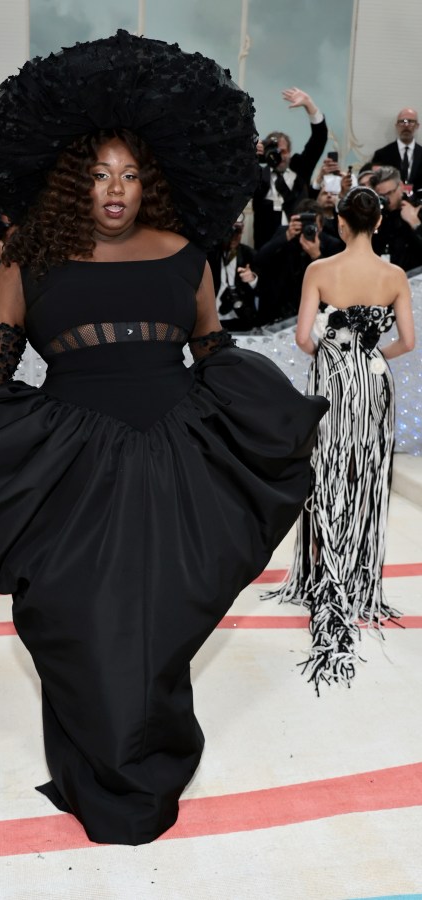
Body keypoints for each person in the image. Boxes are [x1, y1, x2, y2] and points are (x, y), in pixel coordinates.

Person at [0, 32, 328, 846]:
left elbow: (214, 354)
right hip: (73, 472)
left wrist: (265, 422)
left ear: (152, 181)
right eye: (99, 173)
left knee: (163, 626)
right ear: (74, 179)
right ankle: (91, 770)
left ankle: (151, 762)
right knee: (78, 627)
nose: (116, 190)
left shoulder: (186, 257)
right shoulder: (26, 262)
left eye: (131, 174)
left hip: (175, 461)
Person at [263, 187, 415, 690]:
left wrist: (336, 353)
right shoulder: (393, 276)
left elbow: (304, 339)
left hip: (331, 381)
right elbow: (408, 342)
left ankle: (320, 576)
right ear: (375, 225)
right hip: (373, 382)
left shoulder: (319, 271)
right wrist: (370, 361)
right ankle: (357, 578)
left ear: (342, 224)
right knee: (366, 476)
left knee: (327, 472)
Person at [253, 86, 328, 249]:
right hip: (266, 248)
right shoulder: (257, 174)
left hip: (300, 247)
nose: (279, 156)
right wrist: (251, 152)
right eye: (274, 152)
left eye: (283, 151)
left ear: (290, 152)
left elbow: (319, 140)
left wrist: (310, 106)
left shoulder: (299, 168)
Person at [255, 199, 343, 324]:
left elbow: (335, 282)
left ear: (321, 227)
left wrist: (316, 255)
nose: (308, 229)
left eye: (313, 225)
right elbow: (259, 260)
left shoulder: (332, 244)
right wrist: (285, 237)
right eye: (304, 224)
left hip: (314, 311)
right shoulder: (284, 233)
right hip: (279, 308)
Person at [369, 165, 422, 271]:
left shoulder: (417, 210)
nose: (387, 199)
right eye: (382, 196)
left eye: (389, 193)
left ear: (401, 186)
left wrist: (415, 223)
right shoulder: (376, 217)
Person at [372, 107, 422, 191]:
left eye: (410, 121)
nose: (406, 125)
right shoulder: (381, 155)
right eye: (402, 121)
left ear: (417, 126)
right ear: (396, 125)